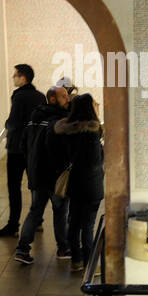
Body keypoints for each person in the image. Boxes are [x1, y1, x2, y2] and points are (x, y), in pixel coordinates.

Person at [14, 86, 72, 264]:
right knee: (60, 212)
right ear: (53, 99)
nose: (68, 99)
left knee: (35, 211)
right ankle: (63, 248)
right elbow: (60, 151)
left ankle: (22, 249)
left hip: (36, 175)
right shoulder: (58, 122)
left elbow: (24, 146)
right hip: (54, 176)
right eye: (64, 96)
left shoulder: (33, 120)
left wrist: (32, 166)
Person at [53, 93, 104, 270]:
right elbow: (97, 160)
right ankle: (89, 264)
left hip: (74, 182)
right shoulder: (94, 132)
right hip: (92, 184)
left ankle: (76, 261)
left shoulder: (65, 131)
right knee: (88, 225)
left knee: (74, 223)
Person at [0, 63, 43, 236]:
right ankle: (37, 220)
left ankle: (13, 224)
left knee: (14, 186)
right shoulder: (40, 96)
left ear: (23, 78)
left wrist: (7, 124)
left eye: (15, 75)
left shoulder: (18, 96)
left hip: (17, 148)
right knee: (35, 185)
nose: (13, 78)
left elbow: (13, 122)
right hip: (34, 148)